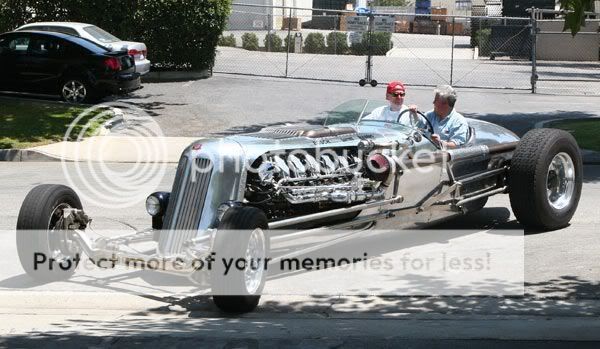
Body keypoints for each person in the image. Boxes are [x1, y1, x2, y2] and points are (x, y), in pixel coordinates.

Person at [423, 85, 469, 149]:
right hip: (423, 151)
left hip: (443, 156)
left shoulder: (459, 121)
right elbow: (417, 126)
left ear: (445, 104)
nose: (433, 102)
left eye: (436, 100)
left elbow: (458, 145)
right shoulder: (429, 115)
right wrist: (414, 114)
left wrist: (440, 143)